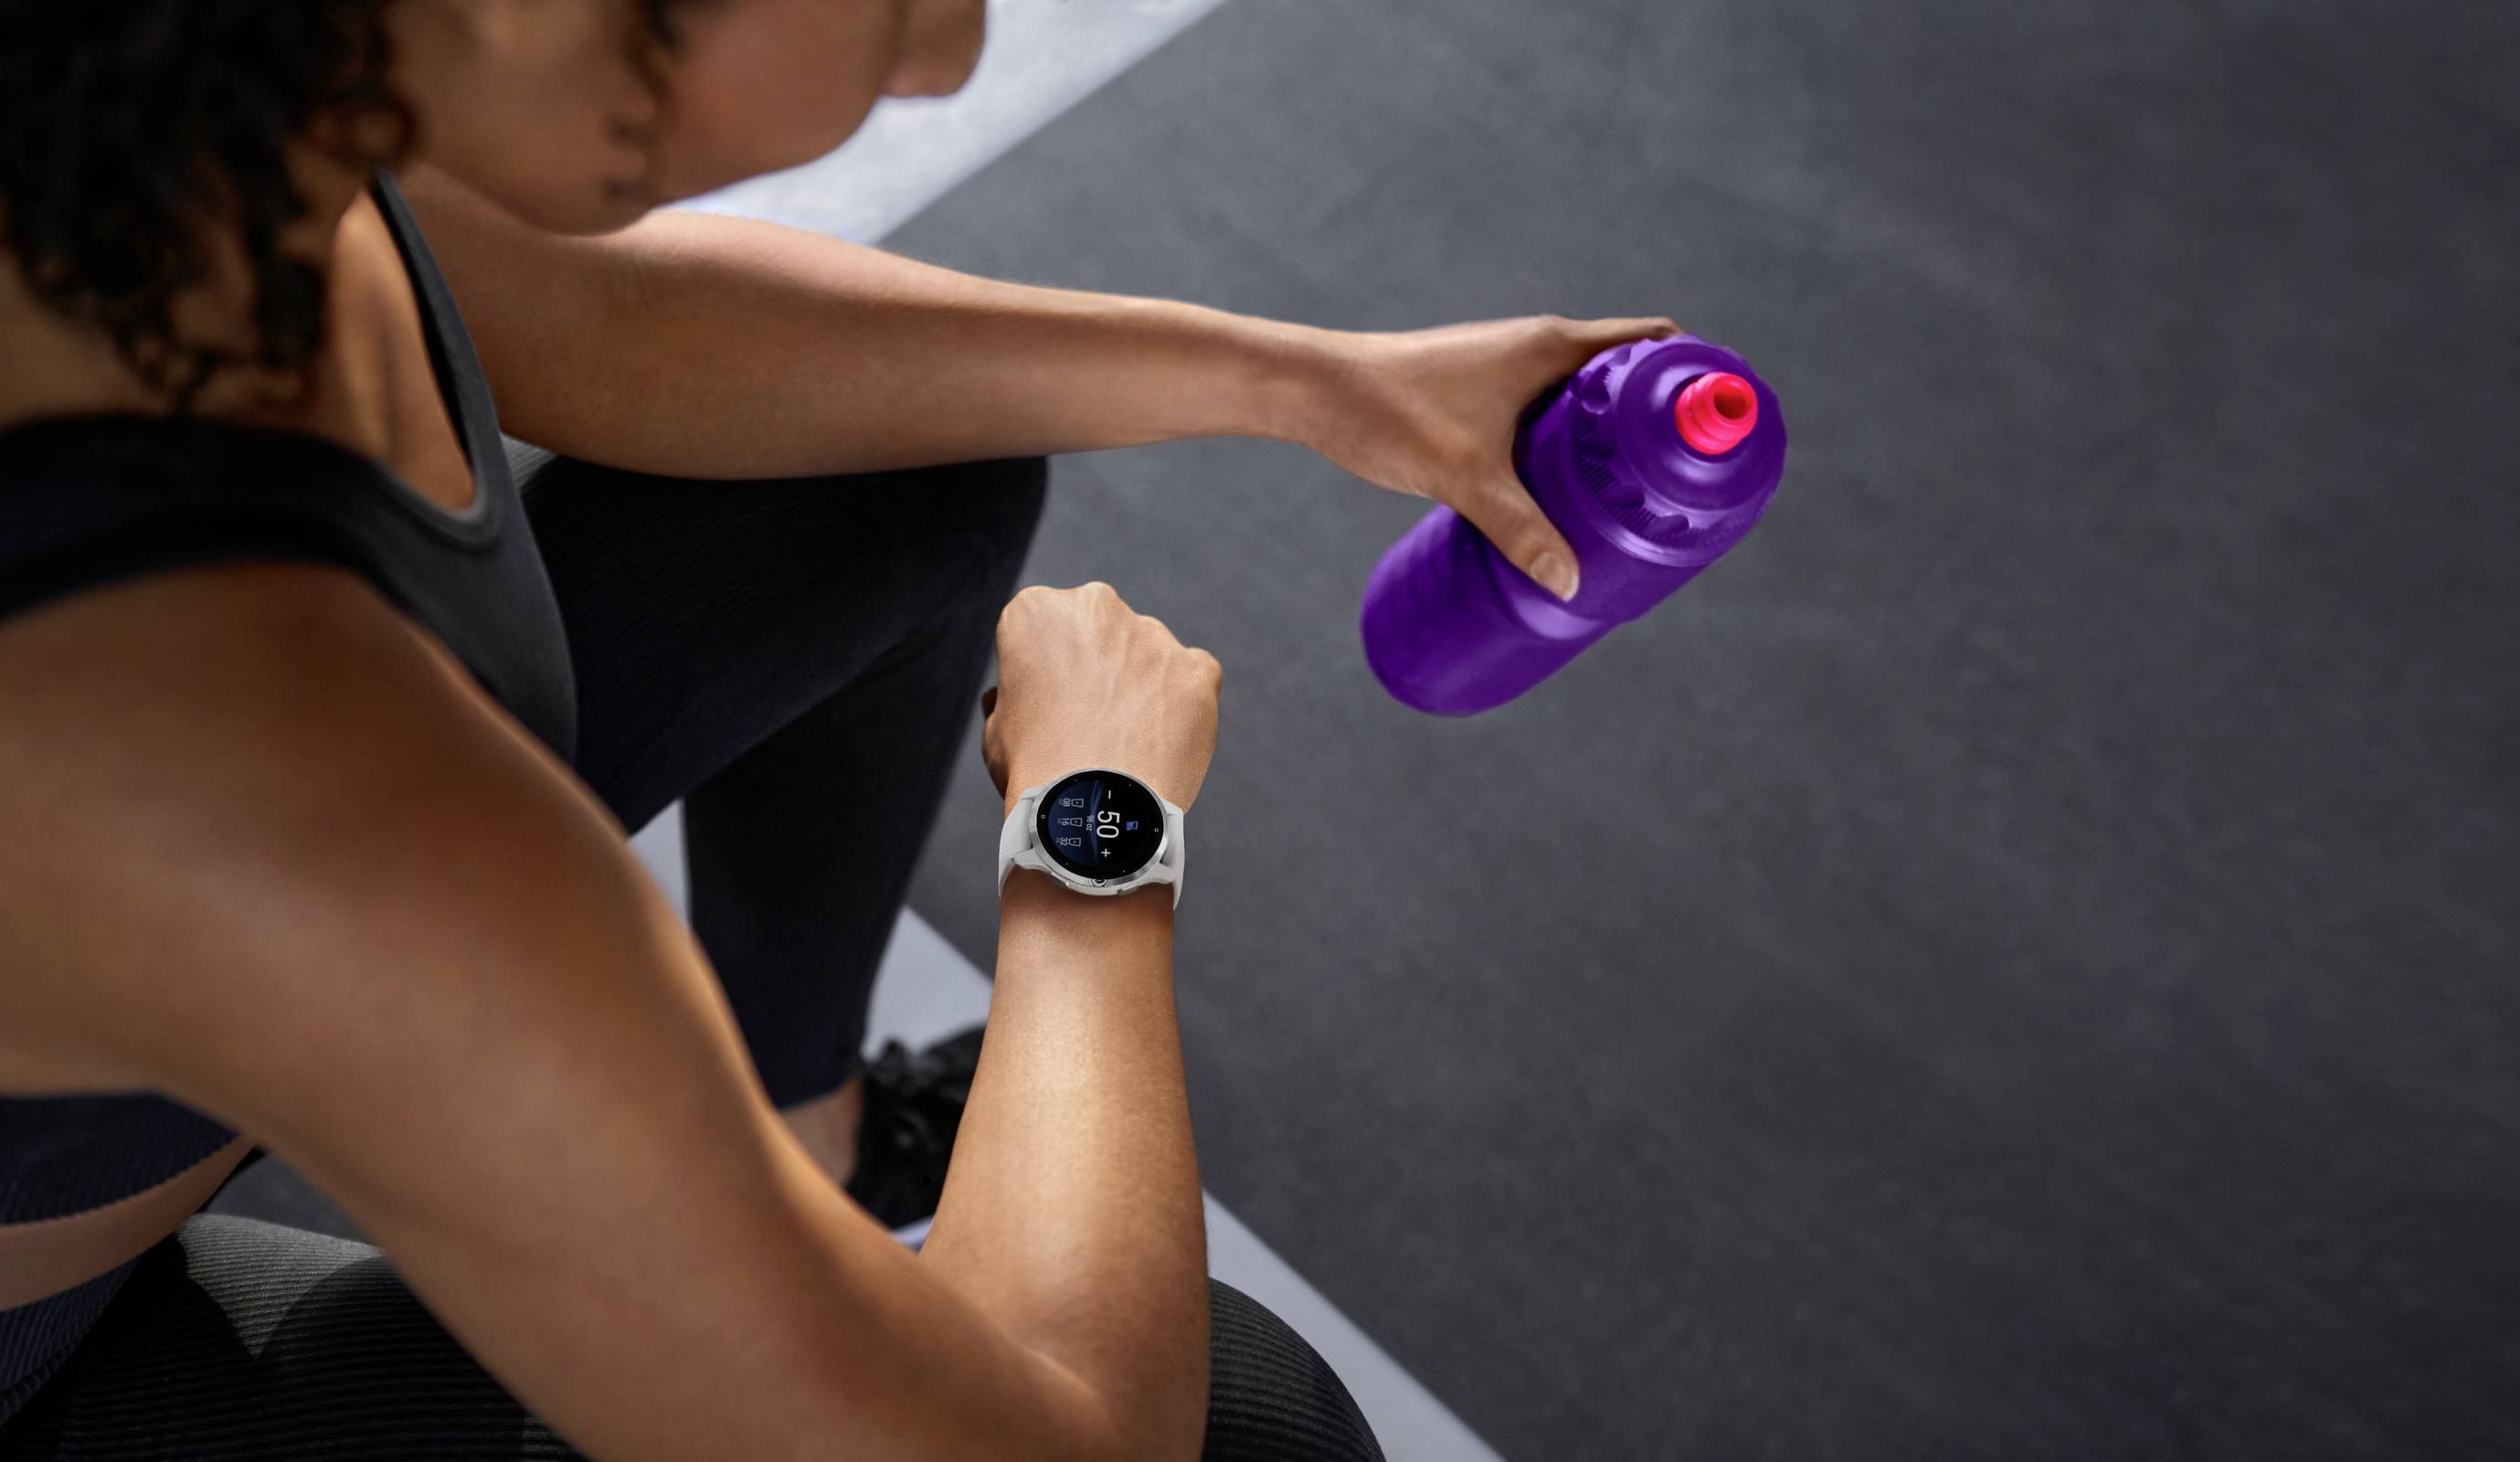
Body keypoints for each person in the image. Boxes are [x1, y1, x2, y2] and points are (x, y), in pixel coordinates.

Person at [0, 2, 1678, 1457]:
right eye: (888, 6)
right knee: (1248, 1429)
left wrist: (1311, 379)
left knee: (892, 474)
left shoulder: (210, 78)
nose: (946, 61)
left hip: (196, 1017)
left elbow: (593, 311)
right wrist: (1095, 830)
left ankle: (812, 1130)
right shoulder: (250, 745)